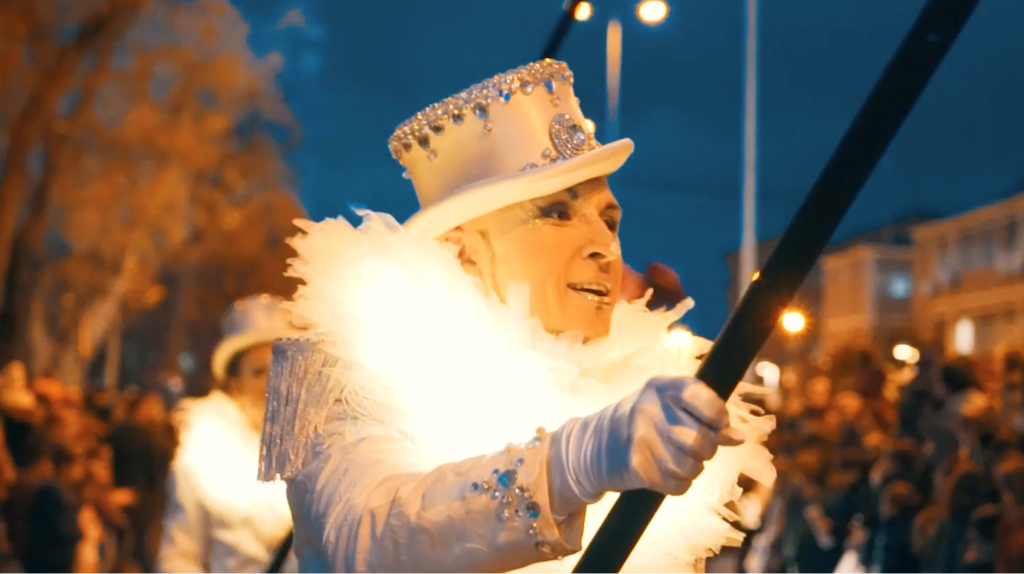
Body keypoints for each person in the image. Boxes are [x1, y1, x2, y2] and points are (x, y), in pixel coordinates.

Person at [259, 59, 776, 573]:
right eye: (556, 212)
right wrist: (571, 463)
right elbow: (367, 539)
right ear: (461, 253)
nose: (605, 248)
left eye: (610, 220)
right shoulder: (349, 375)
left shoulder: (636, 401)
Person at [156, 295, 301, 574]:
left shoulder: (327, 453)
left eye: (283, 369)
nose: (273, 382)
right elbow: (180, 553)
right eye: (259, 371)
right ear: (235, 382)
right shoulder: (204, 453)